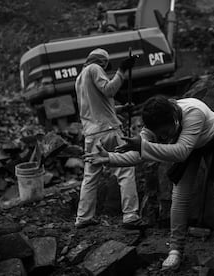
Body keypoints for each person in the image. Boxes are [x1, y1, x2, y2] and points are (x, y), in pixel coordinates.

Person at [84, 96, 214, 270]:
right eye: (160, 135)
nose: (164, 137)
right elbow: (139, 153)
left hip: (212, 141)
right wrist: (110, 158)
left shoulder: (193, 113)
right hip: (186, 149)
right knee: (180, 196)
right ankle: (175, 250)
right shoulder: (153, 124)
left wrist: (143, 146)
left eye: (166, 132)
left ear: (174, 116)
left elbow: (180, 152)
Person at [74, 48, 146, 230]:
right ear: (103, 62)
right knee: (126, 170)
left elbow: (95, 107)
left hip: (91, 134)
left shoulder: (80, 78)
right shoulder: (94, 69)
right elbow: (110, 90)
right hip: (109, 131)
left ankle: (83, 217)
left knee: (90, 177)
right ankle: (130, 215)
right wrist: (122, 70)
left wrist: (121, 109)